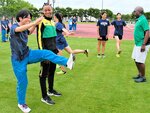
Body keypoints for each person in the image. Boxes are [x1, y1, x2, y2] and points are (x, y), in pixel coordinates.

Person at [10, 9, 74, 113]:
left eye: (30, 18)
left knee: (46, 53)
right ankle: (21, 103)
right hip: (18, 60)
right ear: (20, 18)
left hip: (28, 54)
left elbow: (29, 32)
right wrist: (34, 22)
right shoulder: (14, 27)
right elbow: (19, 29)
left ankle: (67, 62)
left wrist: (35, 25)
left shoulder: (24, 27)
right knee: (23, 82)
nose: (29, 19)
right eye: (27, 17)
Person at [37, 3, 62, 106]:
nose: (47, 11)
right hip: (45, 53)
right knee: (43, 75)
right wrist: (43, 55)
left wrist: (56, 50)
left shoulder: (52, 22)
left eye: (49, 10)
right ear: (43, 11)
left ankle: (50, 90)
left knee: (52, 72)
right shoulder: (41, 22)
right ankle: (44, 96)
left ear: (52, 11)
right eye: (45, 10)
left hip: (53, 52)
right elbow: (39, 39)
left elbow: (53, 38)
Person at [132, 6, 150, 83]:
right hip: (137, 43)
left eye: (135, 11)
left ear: (138, 11)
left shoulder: (143, 20)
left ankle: (143, 77)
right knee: (135, 59)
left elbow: (147, 32)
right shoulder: (139, 19)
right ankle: (140, 74)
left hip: (142, 44)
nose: (134, 13)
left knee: (140, 61)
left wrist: (143, 44)